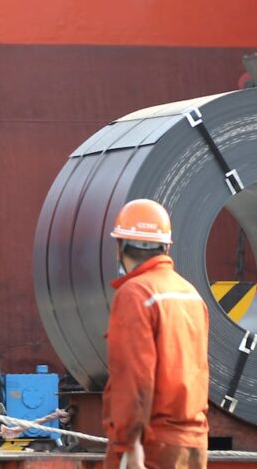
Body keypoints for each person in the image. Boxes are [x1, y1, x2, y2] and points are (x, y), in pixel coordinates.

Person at [102, 198, 210, 469]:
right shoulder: (190, 294)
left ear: (119, 247)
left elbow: (134, 375)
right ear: (166, 247)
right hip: (193, 445)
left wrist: (129, 443)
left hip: (151, 446)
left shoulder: (135, 294)